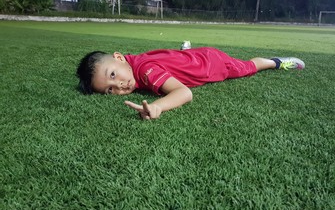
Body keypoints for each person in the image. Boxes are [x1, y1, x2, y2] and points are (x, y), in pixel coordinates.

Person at [76, 46, 305, 120]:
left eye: (113, 76)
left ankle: (275, 62)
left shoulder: (145, 71)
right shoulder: (133, 62)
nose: (120, 87)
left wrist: (158, 106)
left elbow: (184, 92)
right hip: (198, 55)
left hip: (213, 64)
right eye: (109, 90)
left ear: (118, 58)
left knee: (247, 68)